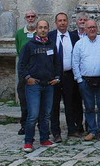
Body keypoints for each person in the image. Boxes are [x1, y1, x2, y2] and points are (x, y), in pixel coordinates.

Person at [19, 20, 60, 152]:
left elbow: (57, 64)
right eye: (41, 27)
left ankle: (44, 139)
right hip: (34, 85)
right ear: (36, 29)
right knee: (33, 115)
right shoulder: (29, 45)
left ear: (48, 29)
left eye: (45, 27)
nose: (43, 30)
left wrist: (57, 78)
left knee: (46, 114)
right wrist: (27, 78)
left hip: (48, 85)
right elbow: (21, 65)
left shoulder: (52, 45)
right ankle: (28, 141)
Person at [73, 20, 100, 142]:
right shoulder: (79, 44)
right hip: (85, 80)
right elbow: (75, 62)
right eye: (89, 27)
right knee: (89, 106)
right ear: (85, 29)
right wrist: (79, 79)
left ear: (97, 28)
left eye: (94, 27)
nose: (92, 29)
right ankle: (92, 131)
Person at [48, 12, 82, 142]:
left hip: (69, 75)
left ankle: (72, 130)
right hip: (55, 76)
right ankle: (56, 132)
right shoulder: (50, 36)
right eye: (60, 21)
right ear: (56, 23)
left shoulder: (74, 37)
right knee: (54, 105)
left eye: (64, 20)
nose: (62, 23)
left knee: (70, 104)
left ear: (67, 22)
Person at [15, 10, 38, 135]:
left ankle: (39, 124)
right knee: (23, 98)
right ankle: (24, 124)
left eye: (32, 16)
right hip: (24, 70)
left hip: (37, 69)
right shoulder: (19, 33)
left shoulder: (40, 33)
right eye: (28, 17)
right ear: (25, 18)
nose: (30, 19)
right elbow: (18, 50)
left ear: (36, 18)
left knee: (38, 98)